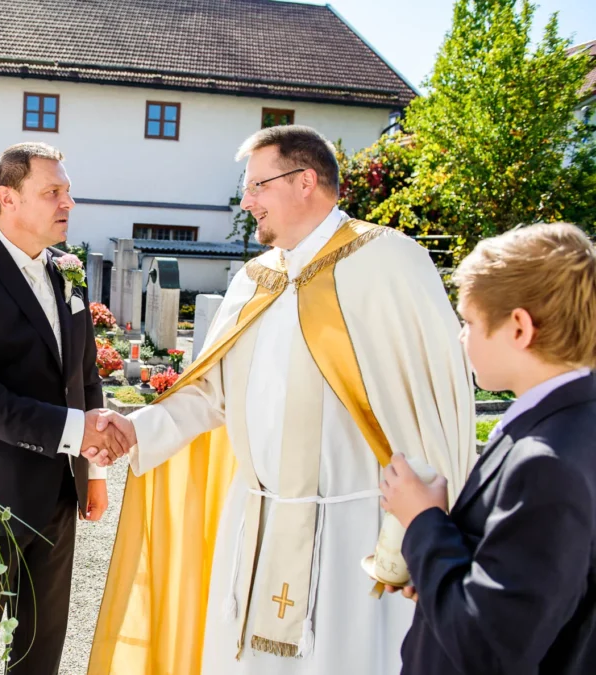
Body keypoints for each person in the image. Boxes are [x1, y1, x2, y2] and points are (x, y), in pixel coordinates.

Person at [87, 125, 477, 675]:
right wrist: (136, 430)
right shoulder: (255, 280)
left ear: (305, 182)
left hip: (351, 530)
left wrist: (422, 534)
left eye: (257, 186)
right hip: (255, 523)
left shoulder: (387, 262)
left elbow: (434, 404)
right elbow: (212, 394)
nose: (247, 202)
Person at [0, 142, 128, 675]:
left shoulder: (69, 271)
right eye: (52, 192)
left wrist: (93, 472)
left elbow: (83, 377)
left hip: (61, 491)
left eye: (67, 191)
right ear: (7, 197)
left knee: (42, 641)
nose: (68, 202)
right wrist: (74, 429)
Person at [382, 222, 596, 675]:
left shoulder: (546, 464)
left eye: (470, 322)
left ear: (519, 327)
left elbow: (488, 646)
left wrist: (422, 522)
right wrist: (434, 563)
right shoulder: (569, 421)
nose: (463, 338)